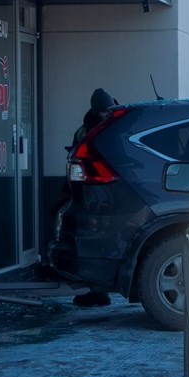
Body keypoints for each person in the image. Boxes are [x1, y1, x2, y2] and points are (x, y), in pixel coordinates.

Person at [70, 88, 118, 307]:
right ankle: (98, 290)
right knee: (95, 240)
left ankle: (100, 291)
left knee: (103, 240)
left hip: (110, 192)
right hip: (93, 192)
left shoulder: (116, 123)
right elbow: (75, 155)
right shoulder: (99, 125)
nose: (103, 114)